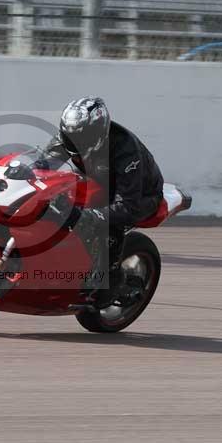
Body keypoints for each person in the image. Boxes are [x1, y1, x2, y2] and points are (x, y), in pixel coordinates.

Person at [45, 96, 164, 308]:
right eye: (69, 134)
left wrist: (93, 215)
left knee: (102, 223)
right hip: (99, 181)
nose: (73, 142)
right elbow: (44, 165)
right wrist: (23, 171)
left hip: (139, 195)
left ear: (97, 134)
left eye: (79, 137)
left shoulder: (126, 151)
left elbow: (127, 206)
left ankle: (109, 281)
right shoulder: (70, 136)